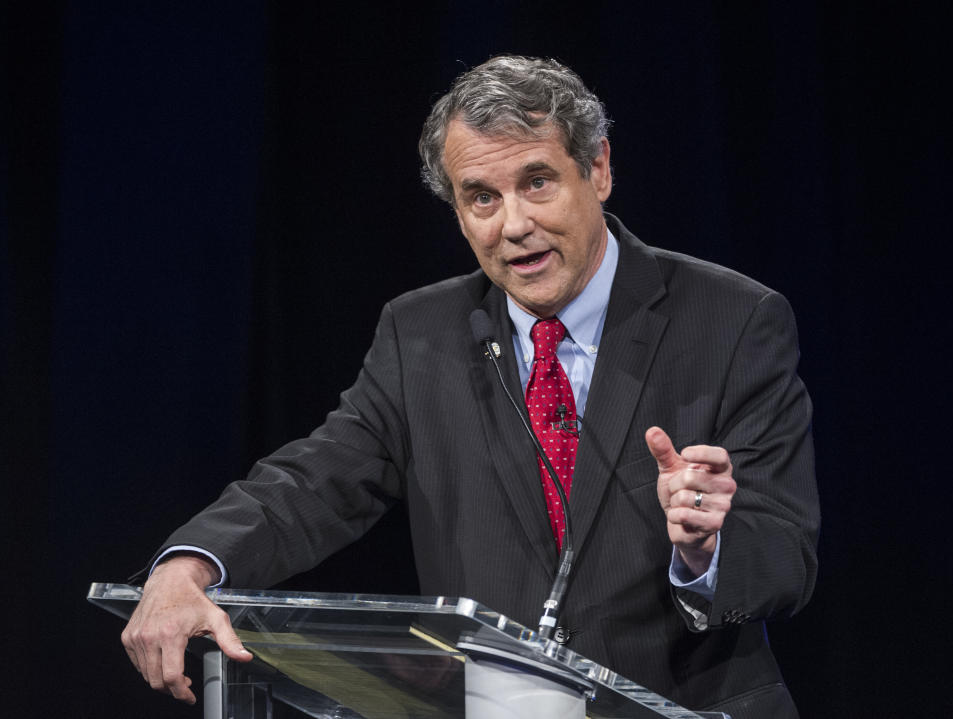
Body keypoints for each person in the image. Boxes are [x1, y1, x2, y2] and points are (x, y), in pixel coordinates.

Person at [122, 55, 818, 719]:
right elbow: (315, 480)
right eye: (481, 196)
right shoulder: (420, 333)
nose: (513, 225)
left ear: (599, 169)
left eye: (537, 182)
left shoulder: (731, 320)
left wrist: (704, 550)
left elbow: (787, 560)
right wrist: (191, 563)